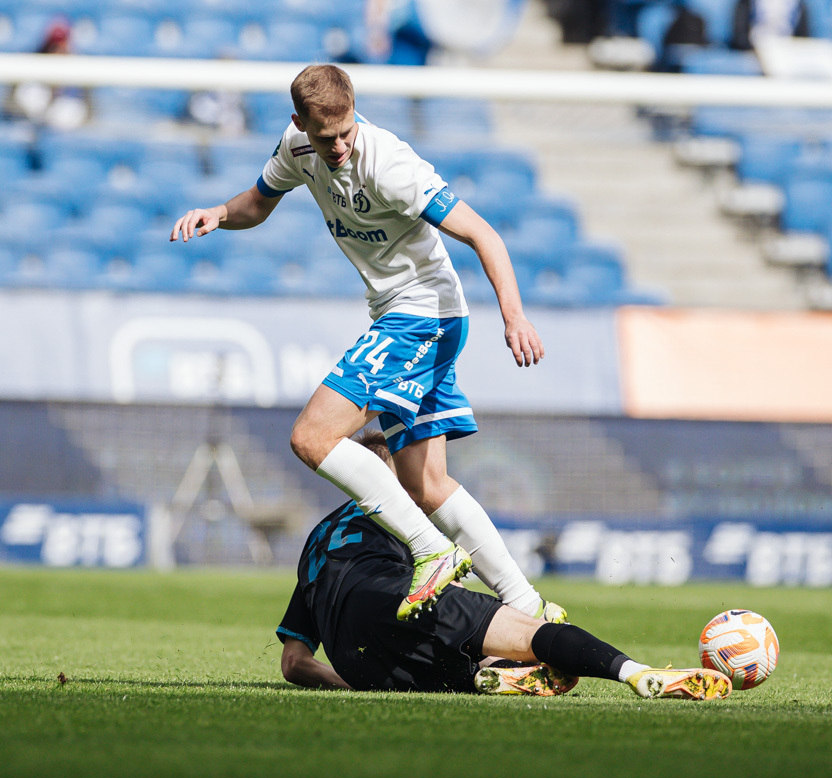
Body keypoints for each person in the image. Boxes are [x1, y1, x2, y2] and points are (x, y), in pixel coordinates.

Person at [170, 65, 551, 622]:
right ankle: (528, 605)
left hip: (424, 314)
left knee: (312, 437)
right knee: (427, 484)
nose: (342, 146)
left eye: (347, 130)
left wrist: (514, 316)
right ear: (300, 124)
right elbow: (258, 200)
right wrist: (220, 213)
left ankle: (430, 552)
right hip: (406, 314)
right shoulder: (296, 148)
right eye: (328, 138)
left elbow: (483, 234)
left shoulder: (391, 164)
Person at [276, 431, 733, 701]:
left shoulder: (317, 541)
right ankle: (638, 672)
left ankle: (490, 672)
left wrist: (349, 681)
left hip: (360, 663)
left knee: (458, 658)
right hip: (392, 595)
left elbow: (294, 663)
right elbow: (450, 510)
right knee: (531, 629)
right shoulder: (407, 506)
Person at [4, 18, 90, 131]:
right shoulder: (26, 69)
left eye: (60, 47)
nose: (56, 52)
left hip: (64, 132)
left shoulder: (82, 75)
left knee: (67, 111)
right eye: (53, 47)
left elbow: (89, 117)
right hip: (26, 125)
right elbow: (8, 108)